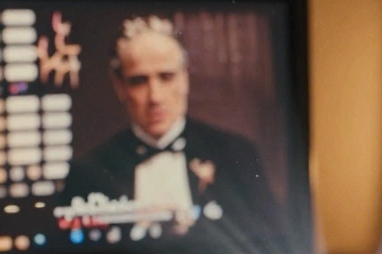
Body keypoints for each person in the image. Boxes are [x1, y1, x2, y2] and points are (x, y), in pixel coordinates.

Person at [62, 15, 279, 238]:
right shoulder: (88, 172)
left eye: (166, 77)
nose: (155, 97)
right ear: (120, 87)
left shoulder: (238, 154)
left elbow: (273, 244)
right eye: (139, 81)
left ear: (184, 78)